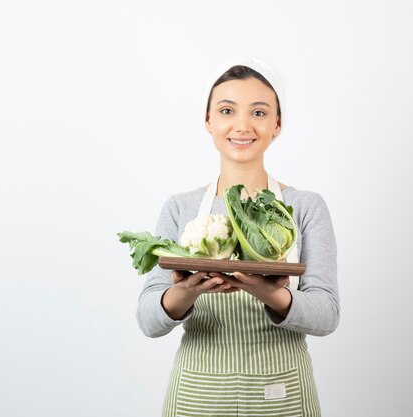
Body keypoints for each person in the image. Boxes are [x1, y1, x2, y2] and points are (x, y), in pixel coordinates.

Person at [137, 57, 340, 417]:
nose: (243, 125)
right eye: (227, 110)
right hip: (198, 395)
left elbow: (326, 315)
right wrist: (183, 292)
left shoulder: (305, 206)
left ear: (277, 124)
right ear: (208, 121)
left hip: (282, 393)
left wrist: (272, 295)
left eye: (259, 113)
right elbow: (148, 321)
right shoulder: (180, 208)